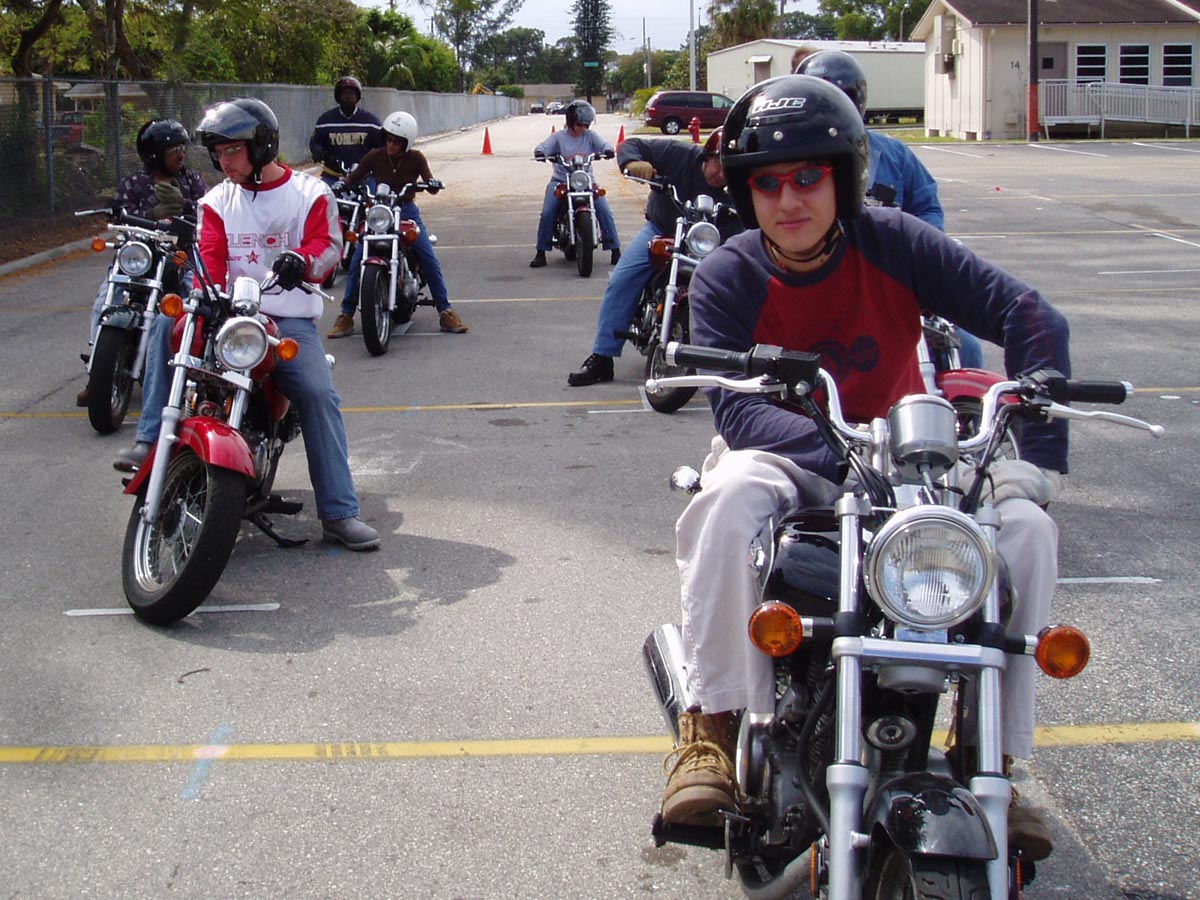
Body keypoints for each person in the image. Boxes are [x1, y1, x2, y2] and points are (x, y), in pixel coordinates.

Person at [658, 75, 1066, 863]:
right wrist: (847, 459)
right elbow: (738, 415)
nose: (789, 199)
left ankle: (994, 758)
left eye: (809, 176)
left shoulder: (895, 241)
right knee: (727, 500)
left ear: (843, 178)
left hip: (912, 454)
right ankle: (710, 728)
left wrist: (1040, 458)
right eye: (767, 183)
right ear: (746, 192)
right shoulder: (727, 274)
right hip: (790, 454)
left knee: (1026, 529)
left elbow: (1026, 313)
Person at [113, 98, 379, 552]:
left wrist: (304, 261)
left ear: (261, 146)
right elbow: (211, 258)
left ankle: (339, 511)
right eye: (218, 153)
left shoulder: (309, 194)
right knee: (163, 327)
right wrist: (206, 296)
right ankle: (150, 438)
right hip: (227, 313)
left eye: (232, 150)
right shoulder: (217, 201)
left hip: (286, 318)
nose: (224, 161)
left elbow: (329, 249)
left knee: (318, 393)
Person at [796, 49, 986, 368]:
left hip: (891, 278)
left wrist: (921, 255)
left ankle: (962, 400)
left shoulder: (896, 155)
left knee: (965, 346)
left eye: (842, 99)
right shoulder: (788, 162)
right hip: (818, 282)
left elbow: (927, 209)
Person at [566, 128, 736, 386]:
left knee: (740, 285)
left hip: (709, 240)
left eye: (729, 169)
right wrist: (633, 162)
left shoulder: (741, 183)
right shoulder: (679, 154)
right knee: (622, 279)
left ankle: (738, 360)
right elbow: (632, 144)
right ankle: (603, 356)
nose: (722, 174)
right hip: (663, 229)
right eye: (718, 165)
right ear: (707, 156)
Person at [77, 118, 208, 406]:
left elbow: (209, 211)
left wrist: (185, 206)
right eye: (173, 150)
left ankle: (196, 373)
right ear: (154, 155)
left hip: (178, 257)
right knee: (103, 302)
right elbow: (121, 213)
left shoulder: (191, 181)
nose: (181, 155)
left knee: (196, 301)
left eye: (182, 148)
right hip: (140, 256)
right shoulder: (135, 184)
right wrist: (141, 215)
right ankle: (96, 375)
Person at [325, 110, 466, 339]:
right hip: (380, 210)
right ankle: (346, 315)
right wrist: (343, 183)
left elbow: (429, 181)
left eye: (397, 141)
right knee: (358, 258)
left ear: (406, 143)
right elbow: (355, 176)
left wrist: (432, 183)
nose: (391, 144)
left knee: (428, 258)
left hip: (406, 210)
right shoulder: (375, 156)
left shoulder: (416, 158)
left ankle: (445, 311)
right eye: (389, 139)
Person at [529, 100, 621, 268]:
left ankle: (615, 249)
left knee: (605, 210)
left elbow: (604, 144)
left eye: (586, 125)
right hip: (561, 181)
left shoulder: (590, 136)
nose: (583, 128)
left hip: (586, 181)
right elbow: (544, 146)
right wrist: (541, 152)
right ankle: (541, 252)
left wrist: (607, 150)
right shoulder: (558, 137)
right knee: (548, 211)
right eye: (580, 124)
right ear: (571, 121)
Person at [308, 76, 385, 186]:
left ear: (357, 96)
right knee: (323, 195)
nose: (348, 97)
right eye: (345, 93)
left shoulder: (371, 122)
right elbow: (316, 141)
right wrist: (317, 150)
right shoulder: (325, 121)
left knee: (375, 195)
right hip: (333, 176)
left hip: (364, 177)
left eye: (352, 93)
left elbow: (382, 146)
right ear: (338, 96)